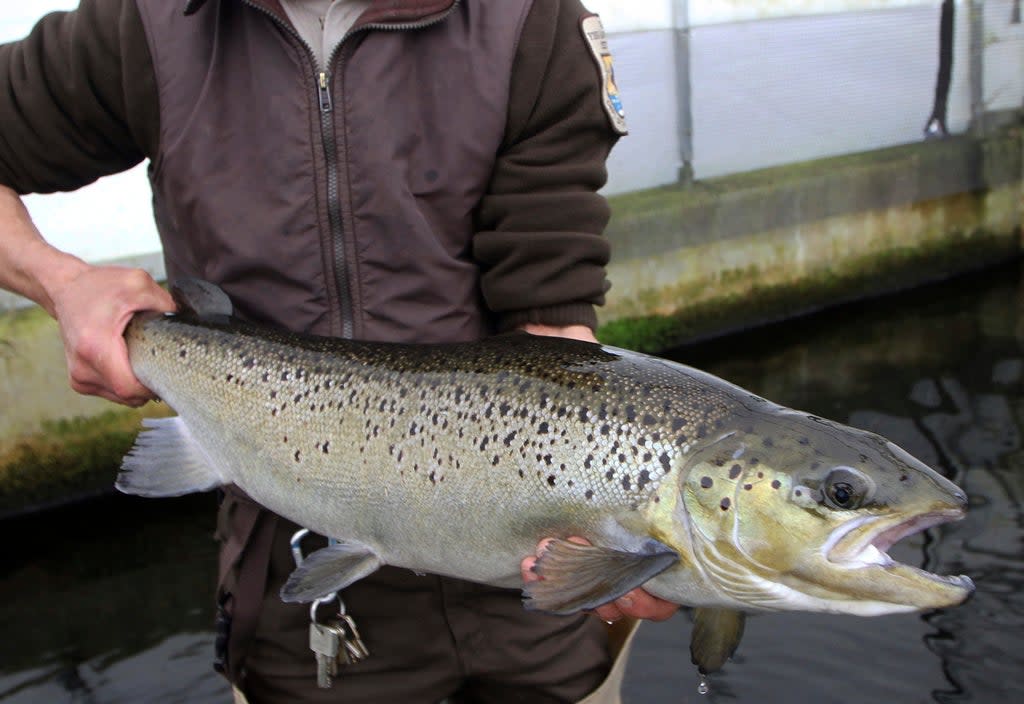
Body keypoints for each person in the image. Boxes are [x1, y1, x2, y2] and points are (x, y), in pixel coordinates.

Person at [0, 1, 677, 702]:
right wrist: (61, 283)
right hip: (303, 592)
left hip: (534, 594)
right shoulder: (144, 22)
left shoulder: (531, 20)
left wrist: (624, 536)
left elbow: (553, 326)